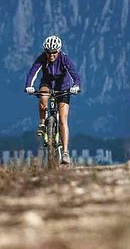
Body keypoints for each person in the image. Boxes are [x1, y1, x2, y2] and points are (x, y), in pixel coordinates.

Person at [24, 35, 81, 165]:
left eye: (54, 52)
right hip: (47, 84)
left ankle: (65, 152)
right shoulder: (42, 58)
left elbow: (75, 75)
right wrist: (29, 86)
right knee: (43, 97)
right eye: (48, 52)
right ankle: (42, 124)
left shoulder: (64, 59)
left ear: (59, 51)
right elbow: (33, 72)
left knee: (63, 119)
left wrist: (76, 86)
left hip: (63, 87)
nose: (51, 55)